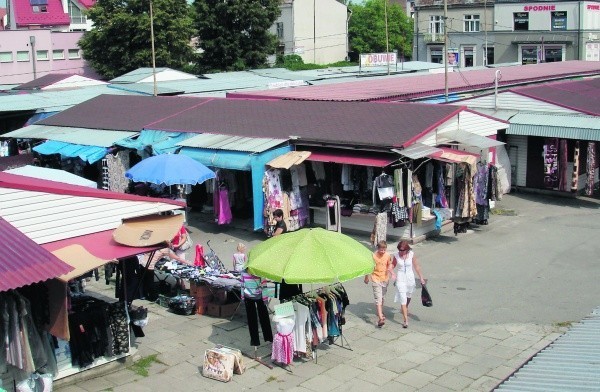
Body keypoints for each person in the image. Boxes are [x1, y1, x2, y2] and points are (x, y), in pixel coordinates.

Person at [390, 240, 426, 328]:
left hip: (410, 278)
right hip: (400, 279)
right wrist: (392, 272)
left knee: (409, 296)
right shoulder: (396, 256)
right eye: (400, 250)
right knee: (403, 298)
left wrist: (421, 277)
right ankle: (405, 320)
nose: (401, 252)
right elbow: (392, 265)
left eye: (403, 250)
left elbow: (416, 266)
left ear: (406, 249)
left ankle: (405, 307)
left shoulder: (411, 254)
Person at [364, 240, 394, 327]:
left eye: (384, 250)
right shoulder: (373, 256)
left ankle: (380, 311)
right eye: (381, 250)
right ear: (378, 248)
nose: (383, 252)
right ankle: (380, 318)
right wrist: (366, 277)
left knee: (382, 297)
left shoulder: (388, 255)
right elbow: (369, 267)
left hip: (385, 279)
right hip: (375, 278)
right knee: (378, 298)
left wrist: (391, 271)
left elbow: (390, 264)